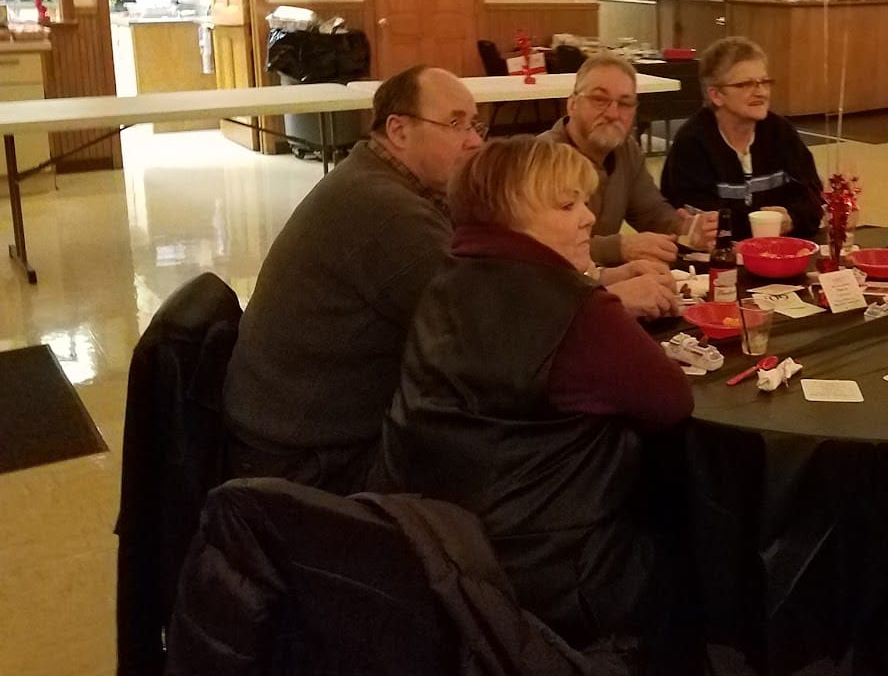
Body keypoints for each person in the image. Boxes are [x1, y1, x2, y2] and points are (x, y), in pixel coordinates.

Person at [224, 66, 677, 495]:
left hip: (307, 428)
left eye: (475, 125)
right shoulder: (386, 209)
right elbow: (491, 334)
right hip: (309, 458)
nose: (473, 142)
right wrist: (610, 298)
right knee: (596, 448)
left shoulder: (389, 182)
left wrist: (601, 272)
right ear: (399, 130)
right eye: (456, 124)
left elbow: (494, 275)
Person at [377, 137, 693, 653]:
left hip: (432, 540)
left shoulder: (449, 277)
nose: (589, 218)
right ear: (510, 216)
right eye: (567, 205)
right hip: (548, 566)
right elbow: (671, 401)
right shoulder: (574, 308)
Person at [541, 52, 717, 266]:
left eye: (625, 103)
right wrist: (621, 248)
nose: (613, 113)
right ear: (572, 104)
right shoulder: (544, 159)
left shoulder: (625, 149)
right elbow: (549, 247)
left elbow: (650, 212)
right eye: (599, 100)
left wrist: (687, 228)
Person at [661, 36, 824, 241]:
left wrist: (792, 218)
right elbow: (707, 222)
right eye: (746, 84)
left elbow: (814, 200)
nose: (761, 92)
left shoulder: (781, 133)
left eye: (764, 82)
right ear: (716, 95)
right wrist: (766, 222)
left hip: (781, 252)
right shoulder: (692, 143)